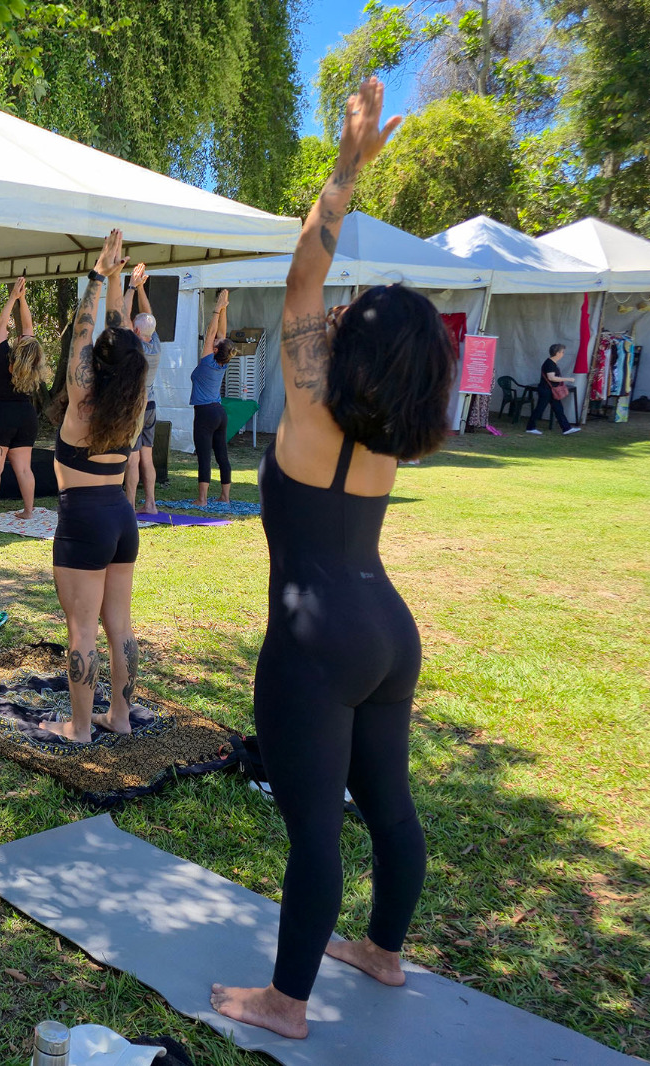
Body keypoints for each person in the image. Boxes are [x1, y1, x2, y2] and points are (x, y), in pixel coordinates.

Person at [209, 78, 456, 1040]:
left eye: (354, 315)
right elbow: (317, 291)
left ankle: (286, 1003)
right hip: (390, 631)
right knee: (388, 809)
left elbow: (301, 279)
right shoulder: (395, 429)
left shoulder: (312, 404)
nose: (337, 311)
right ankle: (383, 952)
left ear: (352, 345)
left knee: (315, 831)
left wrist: (348, 172)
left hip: (313, 644)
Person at [42, 229, 149, 744]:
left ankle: (81, 729)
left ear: (95, 367)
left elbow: (84, 336)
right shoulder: (132, 402)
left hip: (84, 520)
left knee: (83, 632)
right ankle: (121, 717)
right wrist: (118, 283)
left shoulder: (83, 397)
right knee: (120, 630)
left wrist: (97, 276)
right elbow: (119, 342)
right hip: (120, 519)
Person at [0, 276, 49, 521]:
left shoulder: (1, 354)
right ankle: (28, 511)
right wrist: (23, 300)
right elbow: (28, 329)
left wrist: (13, 298)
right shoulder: (32, 364)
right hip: (25, 416)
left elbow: (1, 325)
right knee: (24, 468)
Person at [122, 265, 162, 514]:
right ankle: (151, 503)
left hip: (136, 407)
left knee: (133, 458)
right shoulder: (155, 343)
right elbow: (149, 316)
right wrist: (141, 288)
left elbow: (124, 315)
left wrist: (130, 287)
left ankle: (129, 505)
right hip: (152, 406)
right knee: (147, 457)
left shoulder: (136, 346)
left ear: (136, 331)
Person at [190, 289, 235, 507]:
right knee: (222, 455)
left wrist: (217, 308)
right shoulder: (223, 361)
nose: (213, 342)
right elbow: (221, 335)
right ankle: (225, 497)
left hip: (205, 413)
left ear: (215, 349)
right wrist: (224, 308)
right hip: (220, 412)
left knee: (204, 457)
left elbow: (211, 334)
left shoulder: (208, 361)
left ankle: (202, 499)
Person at [526, 344, 581, 435]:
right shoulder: (549, 364)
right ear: (557, 353)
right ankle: (530, 427)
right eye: (562, 352)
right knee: (540, 409)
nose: (563, 354)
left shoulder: (552, 363)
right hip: (546, 390)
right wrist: (567, 379)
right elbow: (552, 378)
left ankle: (566, 428)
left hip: (551, 391)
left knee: (558, 409)